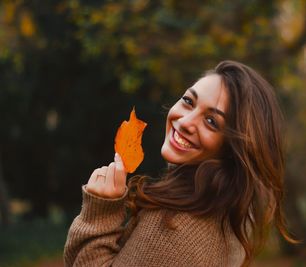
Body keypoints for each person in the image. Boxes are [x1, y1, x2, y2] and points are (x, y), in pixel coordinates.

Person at [64, 60, 294, 267]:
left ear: (233, 147)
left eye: (211, 121)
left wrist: (100, 214)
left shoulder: (174, 225)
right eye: (188, 101)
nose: (185, 121)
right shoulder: (228, 216)